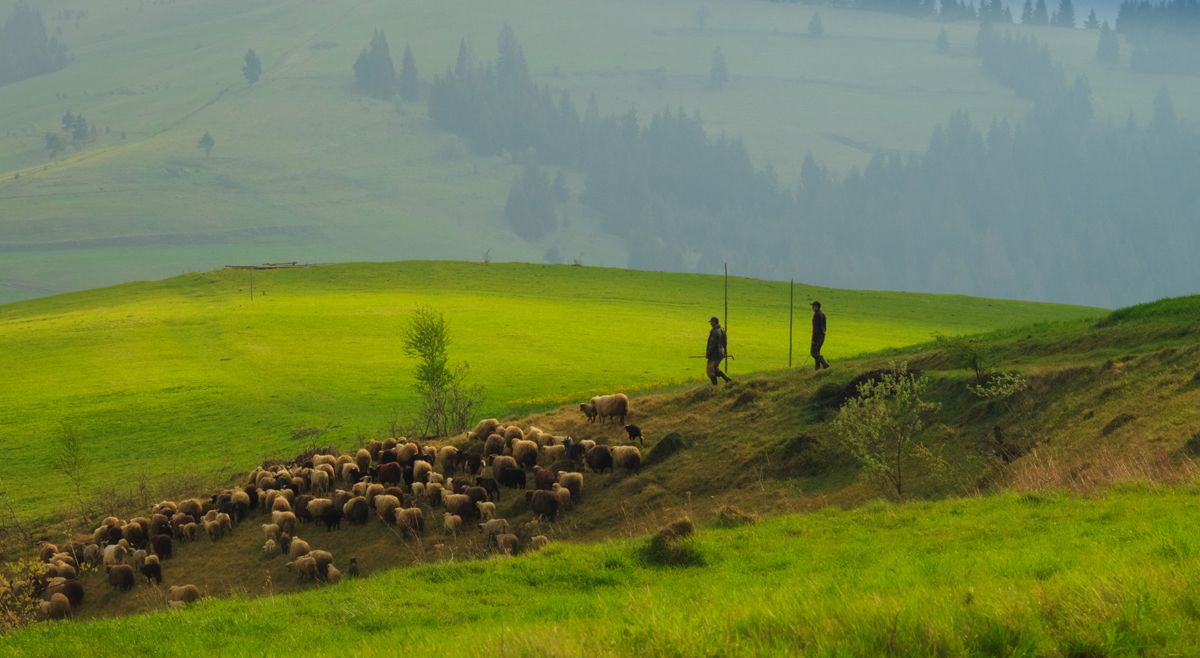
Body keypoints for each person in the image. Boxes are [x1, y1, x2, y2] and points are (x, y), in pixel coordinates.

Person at [706, 316, 732, 385]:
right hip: (721, 353)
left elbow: (712, 344)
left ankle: (715, 387)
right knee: (715, 368)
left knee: (710, 371)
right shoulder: (722, 330)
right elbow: (725, 342)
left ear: (714, 322)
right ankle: (727, 379)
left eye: (711, 322)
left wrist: (708, 353)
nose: (710, 324)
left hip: (714, 354)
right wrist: (725, 352)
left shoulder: (714, 331)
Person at [811, 301, 830, 370]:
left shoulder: (816, 315)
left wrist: (813, 339)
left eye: (813, 306)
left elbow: (815, 328)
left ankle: (824, 363)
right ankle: (817, 368)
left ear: (816, 307)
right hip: (822, 335)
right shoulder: (823, 314)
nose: (812, 308)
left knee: (813, 353)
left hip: (817, 336)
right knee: (817, 351)